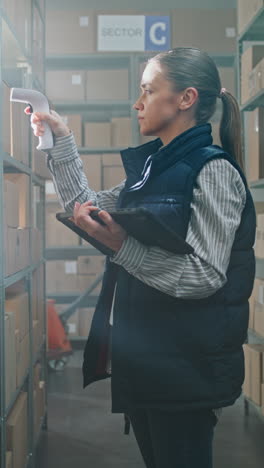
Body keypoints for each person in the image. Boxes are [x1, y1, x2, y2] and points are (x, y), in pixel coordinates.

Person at [27, 47, 256, 468]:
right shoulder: (153, 167)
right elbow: (88, 205)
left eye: (148, 91)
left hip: (187, 368)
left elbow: (203, 276)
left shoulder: (213, 170)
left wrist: (122, 247)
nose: (137, 103)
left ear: (185, 99)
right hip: (149, 361)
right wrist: (61, 140)